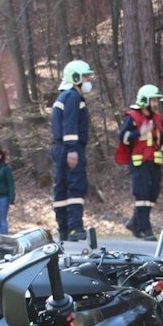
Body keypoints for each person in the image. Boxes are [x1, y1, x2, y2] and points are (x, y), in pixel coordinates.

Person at [117, 84, 163, 241]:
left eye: (157, 100)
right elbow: (123, 137)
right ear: (145, 101)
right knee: (142, 196)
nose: (157, 104)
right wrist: (139, 132)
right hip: (139, 163)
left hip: (155, 163)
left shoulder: (157, 119)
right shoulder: (132, 117)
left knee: (152, 195)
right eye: (154, 100)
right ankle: (146, 229)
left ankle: (133, 223)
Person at [51, 59, 95, 241]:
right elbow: (69, 125)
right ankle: (74, 228)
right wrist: (72, 150)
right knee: (75, 186)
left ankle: (63, 229)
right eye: (86, 76)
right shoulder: (72, 97)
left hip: (60, 147)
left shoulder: (64, 96)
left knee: (61, 187)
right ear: (76, 77)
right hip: (70, 147)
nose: (88, 80)